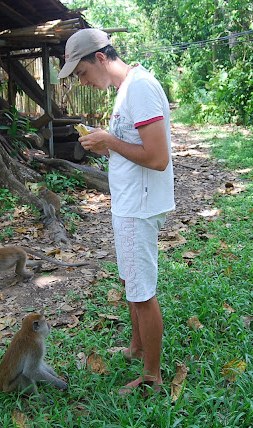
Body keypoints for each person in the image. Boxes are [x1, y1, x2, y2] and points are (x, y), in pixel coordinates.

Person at [58, 29, 175, 395]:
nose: (84, 82)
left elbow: (157, 158)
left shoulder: (139, 88)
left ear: (100, 58)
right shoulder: (127, 90)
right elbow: (133, 146)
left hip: (139, 206)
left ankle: (152, 376)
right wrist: (106, 145)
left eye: (82, 73)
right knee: (130, 282)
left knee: (142, 292)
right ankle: (136, 348)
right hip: (128, 203)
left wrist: (108, 140)